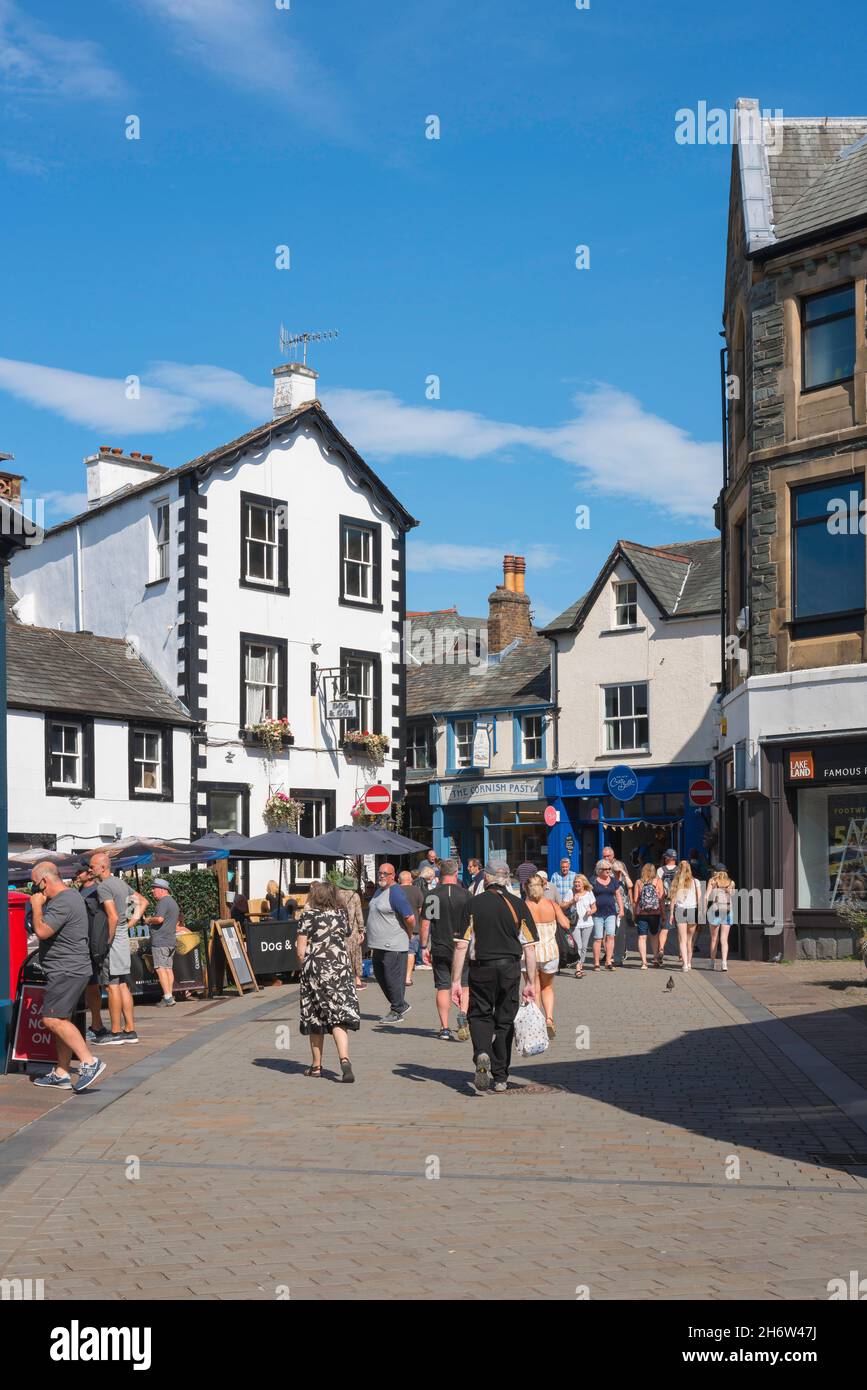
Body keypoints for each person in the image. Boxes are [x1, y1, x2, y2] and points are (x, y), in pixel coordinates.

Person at [451, 862, 538, 1093]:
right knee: (504, 1020)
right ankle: (500, 1076)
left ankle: (481, 1052)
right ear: (507, 879)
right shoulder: (519, 905)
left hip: (481, 968)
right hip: (509, 969)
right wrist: (531, 982)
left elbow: (461, 946)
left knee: (479, 1014)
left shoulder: (472, 904)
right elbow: (530, 948)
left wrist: (455, 982)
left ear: (487, 878)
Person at [29, 863, 106, 1092]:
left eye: (34, 886)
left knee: (52, 1020)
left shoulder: (63, 900)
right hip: (69, 969)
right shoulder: (72, 896)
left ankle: (90, 1062)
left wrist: (36, 907)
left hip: (67, 970)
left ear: (44, 882)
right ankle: (62, 1073)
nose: (34, 891)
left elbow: (42, 931)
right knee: (62, 1019)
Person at [296, 880, 359, 1081]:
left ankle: (316, 1066)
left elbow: (300, 951)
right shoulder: (341, 915)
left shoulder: (308, 916)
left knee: (316, 1016)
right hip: (340, 968)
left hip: (315, 968)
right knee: (339, 1015)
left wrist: (304, 968)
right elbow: (346, 934)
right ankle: (344, 1059)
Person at [88, 851, 147, 1045]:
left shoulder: (104, 886)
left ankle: (114, 1033)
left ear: (102, 867)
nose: (90, 869)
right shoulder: (120, 882)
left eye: (92, 866)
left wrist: (106, 942)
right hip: (122, 934)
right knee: (122, 984)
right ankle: (129, 1030)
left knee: (112, 985)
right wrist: (130, 923)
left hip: (113, 938)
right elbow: (142, 901)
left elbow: (112, 916)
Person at [419, 859, 470, 1040]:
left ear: (440, 874)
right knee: (464, 985)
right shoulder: (466, 895)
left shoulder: (432, 895)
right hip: (462, 947)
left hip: (440, 946)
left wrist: (424, 946)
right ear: (456, 874)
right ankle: (463, 1016)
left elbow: (425, 924)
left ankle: (445, 1028)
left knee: (443, 986)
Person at [366, 863, 415, 1023]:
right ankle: (400, 1004)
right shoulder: (379, 891)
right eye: (380, 873)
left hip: (393, 944)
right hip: (378, 944)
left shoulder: (396, 893)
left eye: (385, 873)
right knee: (381, 977)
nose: (381, 876)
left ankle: (396, 1010)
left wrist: (408, 933)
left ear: (393, 875)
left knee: (392, 978)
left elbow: (410, 918)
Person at [523, 874, 571, 1038]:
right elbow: (565, 924)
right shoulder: (551, 904)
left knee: (533, 987)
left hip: (528, 952)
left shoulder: (523, 906)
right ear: (543, 887)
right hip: (550, 951)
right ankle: (549, 1019)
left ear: (526, 888)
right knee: (547, 987)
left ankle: (536, 1023)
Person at [143, 879, 181, 1007]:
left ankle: (167, 997)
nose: (152, 891)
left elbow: (159, 919)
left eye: (154, 888)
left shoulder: (163, 902)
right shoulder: (173, 902)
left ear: (162, 889)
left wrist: (148, 920)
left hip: (161, 941)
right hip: (170, 940)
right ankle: (169, 995)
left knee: (160, 969)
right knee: (168, 969)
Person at [589, 860, 624, 971]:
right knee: (598, 938)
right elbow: (588, 895)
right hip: (597, 914)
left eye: (610, 869)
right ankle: (596, 963)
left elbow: (618, 895)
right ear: (599, 870)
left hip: (611, 913)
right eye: (606, 869)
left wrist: (621, 909)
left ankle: (608, 962)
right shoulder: (593, 881)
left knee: (610, 936)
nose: (609, 871)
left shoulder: (613, 881)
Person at [601, 845, 633, 967]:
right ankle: (609, 955)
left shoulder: (620, 865)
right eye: (604, 856)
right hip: (606, 902)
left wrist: (631, 903)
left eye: (608, 856)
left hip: (621, 903)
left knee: (619, 933)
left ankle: (618, 957)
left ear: (613, 855)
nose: (606, 858)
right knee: (607, 932)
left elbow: (628, 884)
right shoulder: (600, 865)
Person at [632, 863, 664, 969]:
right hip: (655, 913)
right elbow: (661, 900)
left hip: (642, 914)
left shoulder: (638, 882)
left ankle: (644, 963)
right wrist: (663, 915)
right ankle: (655, 959)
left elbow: (635, 900)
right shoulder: (658, 881)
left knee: (642, 937)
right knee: (654, 936)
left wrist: (634, 914)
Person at [336, 874, 366, 989]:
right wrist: (361, 930)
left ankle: (343, 981)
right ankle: (358, 981)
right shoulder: (355, 896)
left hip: (339, 930)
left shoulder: (336, 896)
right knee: (355, 954)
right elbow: (359, 915)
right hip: (352, 931)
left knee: (341, 954)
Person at [669, 860, 699, 970]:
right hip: (692, 910)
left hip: (680, 911)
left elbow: (673, 899)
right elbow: (699, 898)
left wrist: (671, 914)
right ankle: (689, 962)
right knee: (690, 940)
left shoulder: (676, 881)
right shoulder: (696, 882)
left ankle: (685, 964)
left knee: (682, 939)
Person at [707, 865, 736, 970]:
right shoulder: (731, 882)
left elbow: (707, 896)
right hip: (728, 912)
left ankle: (712, 962)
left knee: (714, 939)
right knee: (724, 939)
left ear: (716, 872)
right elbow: (733, 895)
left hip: (715, 911)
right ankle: (724, 963)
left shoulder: (712, 881)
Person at [570, 874, 596, 979]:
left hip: (587, 923)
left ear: (584, 883)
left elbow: (594, 908)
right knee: (578, 946)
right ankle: (578, 969)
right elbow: (563, 905)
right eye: (575, 882)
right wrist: (572, 901)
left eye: (579, 882)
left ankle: (581, 965)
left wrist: (591, 912)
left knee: (584, 947)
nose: (577, 884)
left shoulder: (589, 893)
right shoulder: (570, 892)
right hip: (575, 923)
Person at [655, 849, 678, 964]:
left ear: (668, 858)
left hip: (665, 903)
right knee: (681, 930)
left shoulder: (660, 870)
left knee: (664, 929)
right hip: (680, 903)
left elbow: (657, 887)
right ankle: (681, 955)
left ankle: (661, 949)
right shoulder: (679, 870)